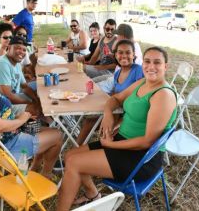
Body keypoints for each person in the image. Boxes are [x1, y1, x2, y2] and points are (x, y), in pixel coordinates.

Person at [57, 46, 177, 210]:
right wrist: (107, 114)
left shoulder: (163, 95)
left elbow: (146, 141)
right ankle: (93, 194)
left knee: (75, 162)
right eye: (147, 61)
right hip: (123, 142)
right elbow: (116, 99)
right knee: (69, 155)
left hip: (141, 158)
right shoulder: (143, 82)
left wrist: (110, 144)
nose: (151, 66)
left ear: (166, 66)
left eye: (157, 62)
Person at [0, 41, 62, 178]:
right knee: (57, 136)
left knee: (47, 130)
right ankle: (45, 176)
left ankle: (33, 170)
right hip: (7, 145)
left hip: (5, 136)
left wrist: (21, 118)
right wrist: (23, 118)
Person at [75, 40, 144, 145]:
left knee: (92, 125)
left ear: (133, 54)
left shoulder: (138, 70)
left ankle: (84, 150)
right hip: (117, 110)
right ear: (115, 55)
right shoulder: (117, 73)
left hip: (128, 115)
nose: (124, 56)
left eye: (128, 52)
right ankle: (78, 150)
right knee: (88, 122)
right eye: (120, 52)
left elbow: (138, 96)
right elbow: (115, 94)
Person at [0, 36, 41, 117]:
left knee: (41, 96)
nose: (21, 52)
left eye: (24, 50)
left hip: (15, 96)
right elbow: (7, 96)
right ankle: (35, 124)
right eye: (17, 48)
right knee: (36, 108)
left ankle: (44, 119)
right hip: (2, 105)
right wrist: (32, 103)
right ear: (9, 47)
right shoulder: (2, 63)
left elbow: (24, 86)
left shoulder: (17, 63)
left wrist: (36, 100)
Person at [97, 23, 143, 94]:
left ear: (123, 36)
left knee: (96, 88)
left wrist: (103, 67)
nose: (116, 37)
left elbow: (129, 68)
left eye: (118, 35)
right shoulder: (125, 45)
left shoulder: (134, 48)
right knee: (94, 83)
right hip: (116, 75)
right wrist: (112, 54)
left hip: (119, 78)